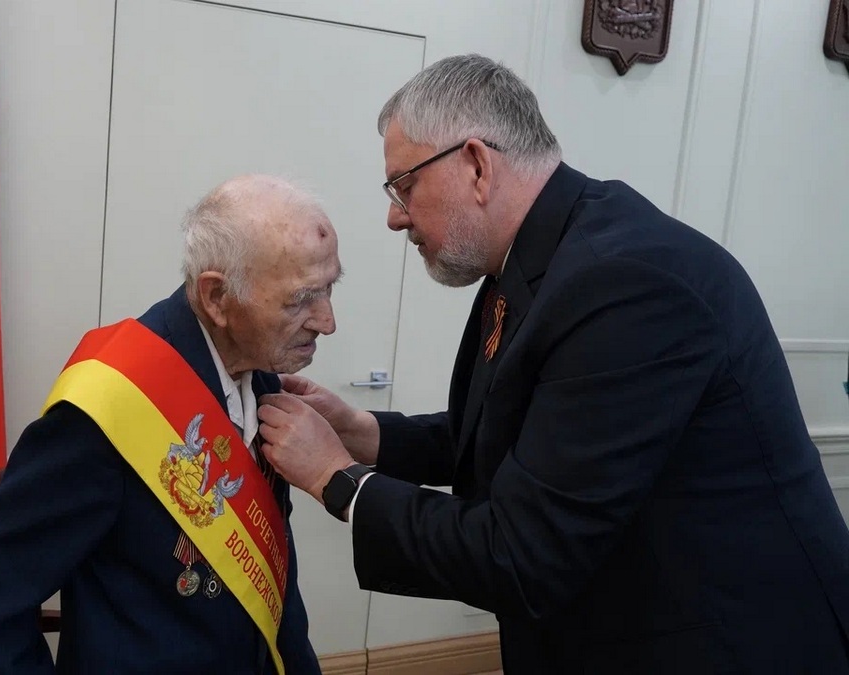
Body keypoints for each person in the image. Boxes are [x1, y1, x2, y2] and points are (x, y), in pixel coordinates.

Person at [256, 54, 849, 673]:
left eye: (404, 186)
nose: (394, 215)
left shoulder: (625, 284)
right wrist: (362, 433)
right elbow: (518, 432)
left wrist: (338, 478)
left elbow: (522, 553)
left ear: (476, 165)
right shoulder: (541, 255)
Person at [0, 174, 338, 674]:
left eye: (329, 289)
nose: (327, 321)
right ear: (217, 297)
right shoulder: (107, 405)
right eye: (300, 299)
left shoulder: (260, 374)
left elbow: (273, 577)